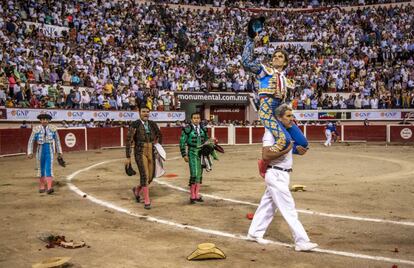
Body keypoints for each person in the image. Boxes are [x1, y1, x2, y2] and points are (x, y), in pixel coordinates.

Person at [247, 104, 318, 252]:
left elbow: (287, 151)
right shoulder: (270, 133)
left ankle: (254, 233)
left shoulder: (284, 133)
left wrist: (298, 151)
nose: (291, 119)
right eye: (288, 116)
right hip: (275, 174)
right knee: (289, 208)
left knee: (267, 206)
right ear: (279, 118)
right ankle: (301, 241)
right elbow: (266, 155)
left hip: (283, 174)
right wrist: (288, 148)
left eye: (292, 115)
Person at [242, 18, 308, 175]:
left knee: (303, 143)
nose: (276, 58)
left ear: (285, 63)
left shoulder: (286, 79)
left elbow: (285, 101)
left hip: (280, 111)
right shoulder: (266, 71)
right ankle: (265, 161)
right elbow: (246, 62)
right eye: (274, 56)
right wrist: (251, 39)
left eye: (280, 57)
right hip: (267, 110)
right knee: (284, 140)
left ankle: (280, 153)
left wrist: (290, 116)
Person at [125, 106, 162, 210]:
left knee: (150, 177)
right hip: (140, 151)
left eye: (147, 112)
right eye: (143, 111)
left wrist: (158, 147)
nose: (145, 113)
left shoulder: (152, 124)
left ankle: (137, 189)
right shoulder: (135, 124)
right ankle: (146, 200)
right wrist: (128, 156)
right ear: (139, 113)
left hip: (151, 150)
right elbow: (129, 140)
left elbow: (159, 135)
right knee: (145, 176)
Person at [27, 113, 63, 194]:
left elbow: (57, 141)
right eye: (43, 119)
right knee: (41, 168)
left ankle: (49, 187)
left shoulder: (53, 129)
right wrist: (30, 152)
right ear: (40, 120)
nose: (44, 121)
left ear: (48, 120)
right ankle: (42, 186)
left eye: (46, 119)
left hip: (50, 150)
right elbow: (31, 141)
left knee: (49, 168)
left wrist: (59, 151)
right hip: (40, 150)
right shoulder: (36, 129)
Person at [179, 112, 209, 204]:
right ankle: (192, 195)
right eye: (194, 118)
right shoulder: (187, 129)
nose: (196, 119)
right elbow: (182, 142)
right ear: (191, 119)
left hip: (201, 153)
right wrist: (184, 154)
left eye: (198, 118)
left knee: (199, 174)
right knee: (194, 173)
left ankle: (196, 194)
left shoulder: (203, 129)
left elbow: (206, 140)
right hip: (192, 152)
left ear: (200, 119)